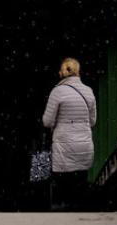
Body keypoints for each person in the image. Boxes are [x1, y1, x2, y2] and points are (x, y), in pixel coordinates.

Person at [42, 57, 98, 210]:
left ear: (61, 73)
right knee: (79, 183)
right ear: (78, 72)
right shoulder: (89, 91)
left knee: (63, 185)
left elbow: (47, 122)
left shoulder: (57, 92)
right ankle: (79, 211)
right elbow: (92, 121)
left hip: (63, 148)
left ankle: (63, 210)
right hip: (84, 146)